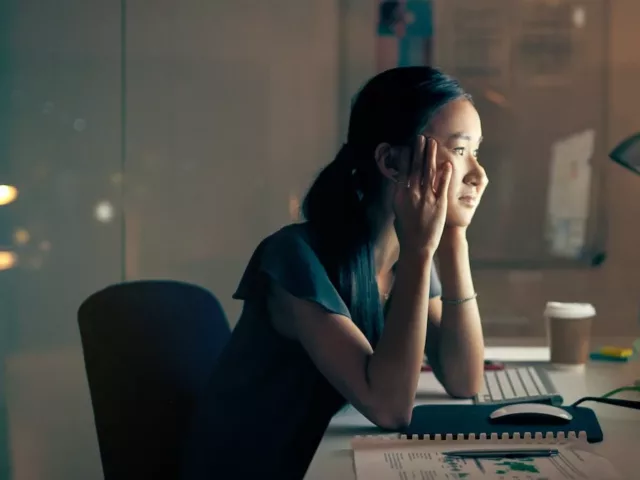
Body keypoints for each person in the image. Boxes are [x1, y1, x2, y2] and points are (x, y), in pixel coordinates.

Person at [180, 66, 488, 479]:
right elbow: (391, 408)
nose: (477, 174)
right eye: (459, 150)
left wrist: (454, 238)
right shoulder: (295, 257)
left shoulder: (405, 257)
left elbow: (464, 379)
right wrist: (421, 249)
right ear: (391, 162)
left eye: (477, 152)